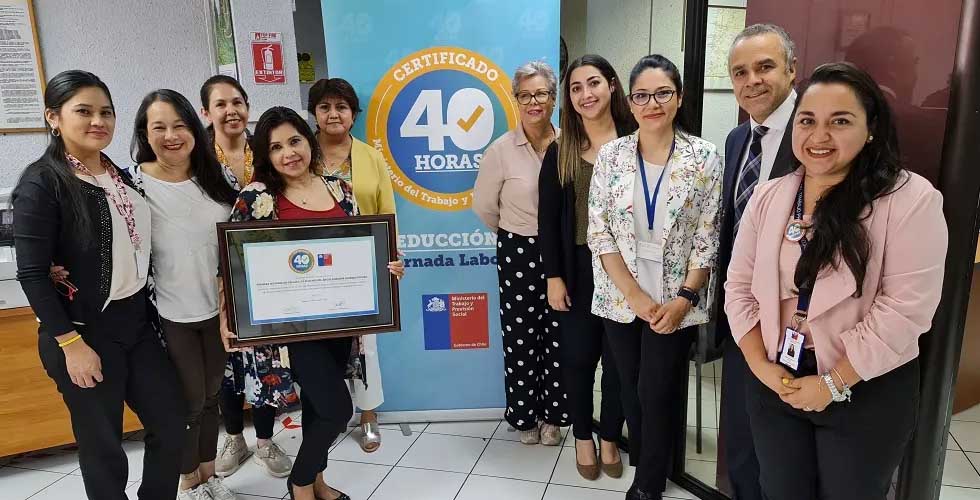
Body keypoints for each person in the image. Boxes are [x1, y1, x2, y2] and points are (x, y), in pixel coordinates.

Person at [724, 62, 947, 500]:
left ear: (871, 130)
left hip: (864, 386)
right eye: (807, 121)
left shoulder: (909, 199)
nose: (819, 136)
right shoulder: (770, 196)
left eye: (840, 121)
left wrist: (833, 382)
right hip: (776, 378)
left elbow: (906, 310)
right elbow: (740, 287)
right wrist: (761, 367)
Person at [13, 70, 185, 500]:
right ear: (53, 117)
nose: (98, 121)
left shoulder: (118, 176)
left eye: (106, 112)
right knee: (103, 446)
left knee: (171, 422)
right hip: (82, 332)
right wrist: (71, 345)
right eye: (84, 111)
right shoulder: (42, 183)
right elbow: (32, 274)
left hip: (136, 324)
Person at [223, 106, 405, 500]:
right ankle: (301, 482)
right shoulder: (256, 197)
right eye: (276, 147)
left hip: (338, 321)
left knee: (317, 408)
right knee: (338, 410)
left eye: (294, 141)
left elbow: (360, 246)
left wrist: (387, 266)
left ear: (309, 141)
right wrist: (228, 317)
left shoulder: (339, 189)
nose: (288, 153)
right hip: (290, 329)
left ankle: (317, 481)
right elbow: (232, 262)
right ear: (265, 154)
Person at [588, 55, 722, 500]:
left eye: (663, 93)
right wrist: (632, 294)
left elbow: (708, 236)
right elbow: (599, 232)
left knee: (656, 389)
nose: (652, 104)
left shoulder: (704, 157)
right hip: (621, 294)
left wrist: (685, 297)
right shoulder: (612, 156)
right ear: (630, 103)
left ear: (679, 97)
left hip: (674, 300)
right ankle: (648, 460)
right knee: (629, 387)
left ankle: (647, 484)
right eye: (642, 95)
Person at [128, 89, 239, 499]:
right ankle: (188, 479)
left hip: (219, 310)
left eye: (179, 125)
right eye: (159, 127)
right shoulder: (131, 183)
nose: (171, 135)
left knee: (212, 396)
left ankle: (209, 475)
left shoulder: (219, 176)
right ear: (145, 133)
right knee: (189, 403)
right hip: (170, 313)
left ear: (194, 127)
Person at [538, 54, 634, 479]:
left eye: (593, 83)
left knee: (618, 362)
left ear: (611, 85)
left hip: (628, 271)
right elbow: (547, 221)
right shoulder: (560, 152)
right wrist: (553, 276)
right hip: (578, 267)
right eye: (575, 88)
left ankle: (610, 435)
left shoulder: (637, 141)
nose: (585, 94)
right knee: (577, 359)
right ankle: (582, 436)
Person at [715, 23, 798, 500]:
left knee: (784, 452)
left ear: (791, 69)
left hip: (798, 321)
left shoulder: (814, 136)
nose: (752, 81)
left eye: (765, 67)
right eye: (740, 72)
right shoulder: (736, 140)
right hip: (743, 317)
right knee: (742, 435)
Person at [200, 75, 294, 478]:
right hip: (214, 272)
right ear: (206, 112)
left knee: (264, 356)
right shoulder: (197, 157)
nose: (230, 111)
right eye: (220, 104)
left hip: (265, 271)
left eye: (237, 102)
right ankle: (235, 437)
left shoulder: (267, 149)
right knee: (227, 360)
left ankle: (266, 440)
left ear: (248, 107)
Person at [474, 60, 568, 446]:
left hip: (563, 252)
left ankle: (554, 416)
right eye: (525, 95)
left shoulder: (570, 143)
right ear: (515, 100)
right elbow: (484, 206)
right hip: (518, 250)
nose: (534, 102)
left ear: (554, 98)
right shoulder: (500, 150)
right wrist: (515, 231)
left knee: (560, 337)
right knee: (520, 337)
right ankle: (524, 414)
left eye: (541, 94)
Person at [308, 77, 397, 453]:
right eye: (325, 107)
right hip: (310, 267)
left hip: (362, 267)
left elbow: (386, 212)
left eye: (341, 107)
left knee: (365, 345)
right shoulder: (300, 152)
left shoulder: (370, 157)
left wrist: (390, 258)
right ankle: (324, 415)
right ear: (313, 113)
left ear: (353, 115)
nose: (333, 114)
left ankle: (368, 415)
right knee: (317, 345)